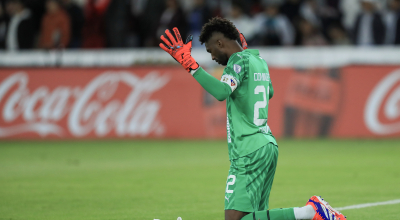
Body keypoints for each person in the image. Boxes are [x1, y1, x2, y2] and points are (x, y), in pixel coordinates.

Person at [158, 17, 347, 220]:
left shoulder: (237, 61)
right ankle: (310, 212)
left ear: (221, 43)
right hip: (267, 145)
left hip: (249, 150)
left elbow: (222, 92)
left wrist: (191, 66)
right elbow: (270, 92)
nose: (212, 57)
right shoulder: (258, 61)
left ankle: (310, 212)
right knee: (254, 217)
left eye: (211, 50)